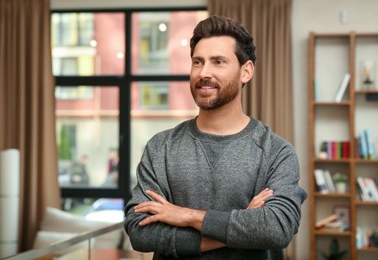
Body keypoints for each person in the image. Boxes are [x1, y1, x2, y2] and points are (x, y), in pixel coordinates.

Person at [124, 15, 307, 259]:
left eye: (218, 62)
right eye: (197, 62)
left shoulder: (276, 151)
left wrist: (187, 215)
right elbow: (140, 231)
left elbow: (277, 228)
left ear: (246, 71)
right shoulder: (161, 147)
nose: (204, 73)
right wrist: (239, 228)